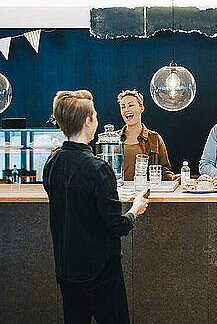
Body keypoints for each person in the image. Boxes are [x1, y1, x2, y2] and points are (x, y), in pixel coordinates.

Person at [43, 90, 149, 324]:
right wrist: (135, 209)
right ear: (87, 121)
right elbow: (117, 226)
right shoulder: (98, 169)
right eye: (95, 115)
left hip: (66, 269)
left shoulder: (51, 162)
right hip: (100, 273)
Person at [117, 89, 175, 181]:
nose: (126, 110)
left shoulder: (154, 138)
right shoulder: (113, 139)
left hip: (145, 192)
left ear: (141, 108)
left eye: (131, 105)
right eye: (123, 107)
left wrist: (173, 178)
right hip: (119, 193)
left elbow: (164, 172)